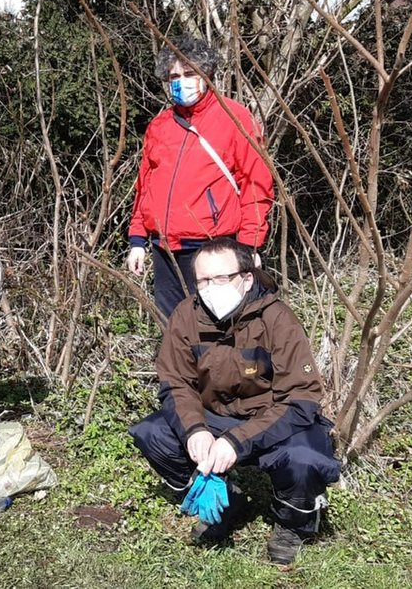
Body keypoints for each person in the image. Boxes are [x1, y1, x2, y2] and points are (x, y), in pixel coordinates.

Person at [128, 238, 340, 566]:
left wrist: (235, 441)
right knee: (152, 433)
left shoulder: (277, 319)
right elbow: (175, 384)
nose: (212, 287)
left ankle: (292, 522)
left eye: (222, 278)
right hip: (215, 417)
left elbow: (300, 398)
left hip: (272, 420)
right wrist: (195, 430)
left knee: (305, 457)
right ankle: (224, 500)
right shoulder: (187, 315)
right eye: (204, 280)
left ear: (247, 278)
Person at [125, 35, 275, 318]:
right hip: (164, 250)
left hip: (214, 249)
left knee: (216, 327)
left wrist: (249, 245)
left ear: (208, 74)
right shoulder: (159, 126)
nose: (181, 81)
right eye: (174, 76)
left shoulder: (235, 118)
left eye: (190, 73)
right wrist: (137, 240)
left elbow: (257, 185)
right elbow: (145, 186)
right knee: (175, 329)